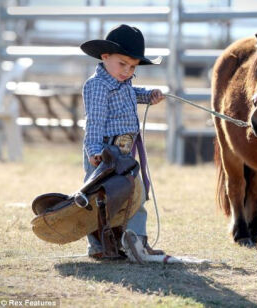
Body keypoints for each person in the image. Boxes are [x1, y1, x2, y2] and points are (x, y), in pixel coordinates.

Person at [80, 24, 165, 260]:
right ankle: (99, 247)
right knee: (101, 199)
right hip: (104, 151)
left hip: (125, 153)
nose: (127, 71)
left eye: (133, 67)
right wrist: (95, 150)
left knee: (135, 193)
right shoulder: (96, 86)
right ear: (105, 57)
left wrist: (148, 95)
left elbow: (130, 92)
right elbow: (94, 121)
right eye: (122, 64)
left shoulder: (122, 82)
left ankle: (136, 241)